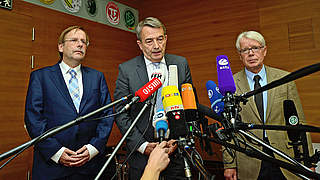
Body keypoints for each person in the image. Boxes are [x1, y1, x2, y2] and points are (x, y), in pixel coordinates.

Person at [24, 26, 114, 180]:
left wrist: (92, 148)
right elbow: (33, 119)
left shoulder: (97, 77)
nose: (80, 44)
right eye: (74, 40)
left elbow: (107, 115)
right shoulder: (41, 77)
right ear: (61, 47)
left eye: (83, 42)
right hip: (51, 166)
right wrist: (56, 152)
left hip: (88, 166)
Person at [223, 30, 314, 180]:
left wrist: (308, 160)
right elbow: (228, 129)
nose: (251, 53)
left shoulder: (285, 79)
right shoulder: (230, 85)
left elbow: (299, 121)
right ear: (240, 55)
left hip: (283, 156)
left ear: (264, 51)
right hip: (249, 159)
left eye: (255, 48)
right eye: (245, 50)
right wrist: (229, 164)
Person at [114, 17, 193, 179]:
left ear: (166, 39)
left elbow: (190, 105)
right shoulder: (127, 69)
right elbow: (121, 113)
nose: (156, 46)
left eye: (160, 39)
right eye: (149, 41)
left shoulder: (180, 63)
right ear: (140, 44)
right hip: (142, 155)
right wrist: (142, 145)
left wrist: (178, 140)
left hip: (176, 153)